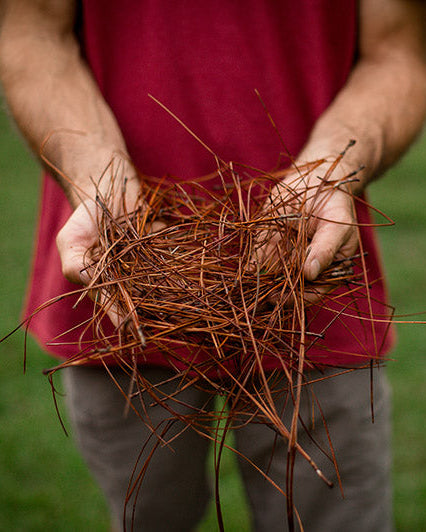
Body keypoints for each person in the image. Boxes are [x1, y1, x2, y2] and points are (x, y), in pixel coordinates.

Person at [0, 1, 425, 531]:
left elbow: (398, 50)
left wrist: (328, 174)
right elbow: (33, 31)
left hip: (312, 282)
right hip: (120, 289)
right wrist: (97, 181)